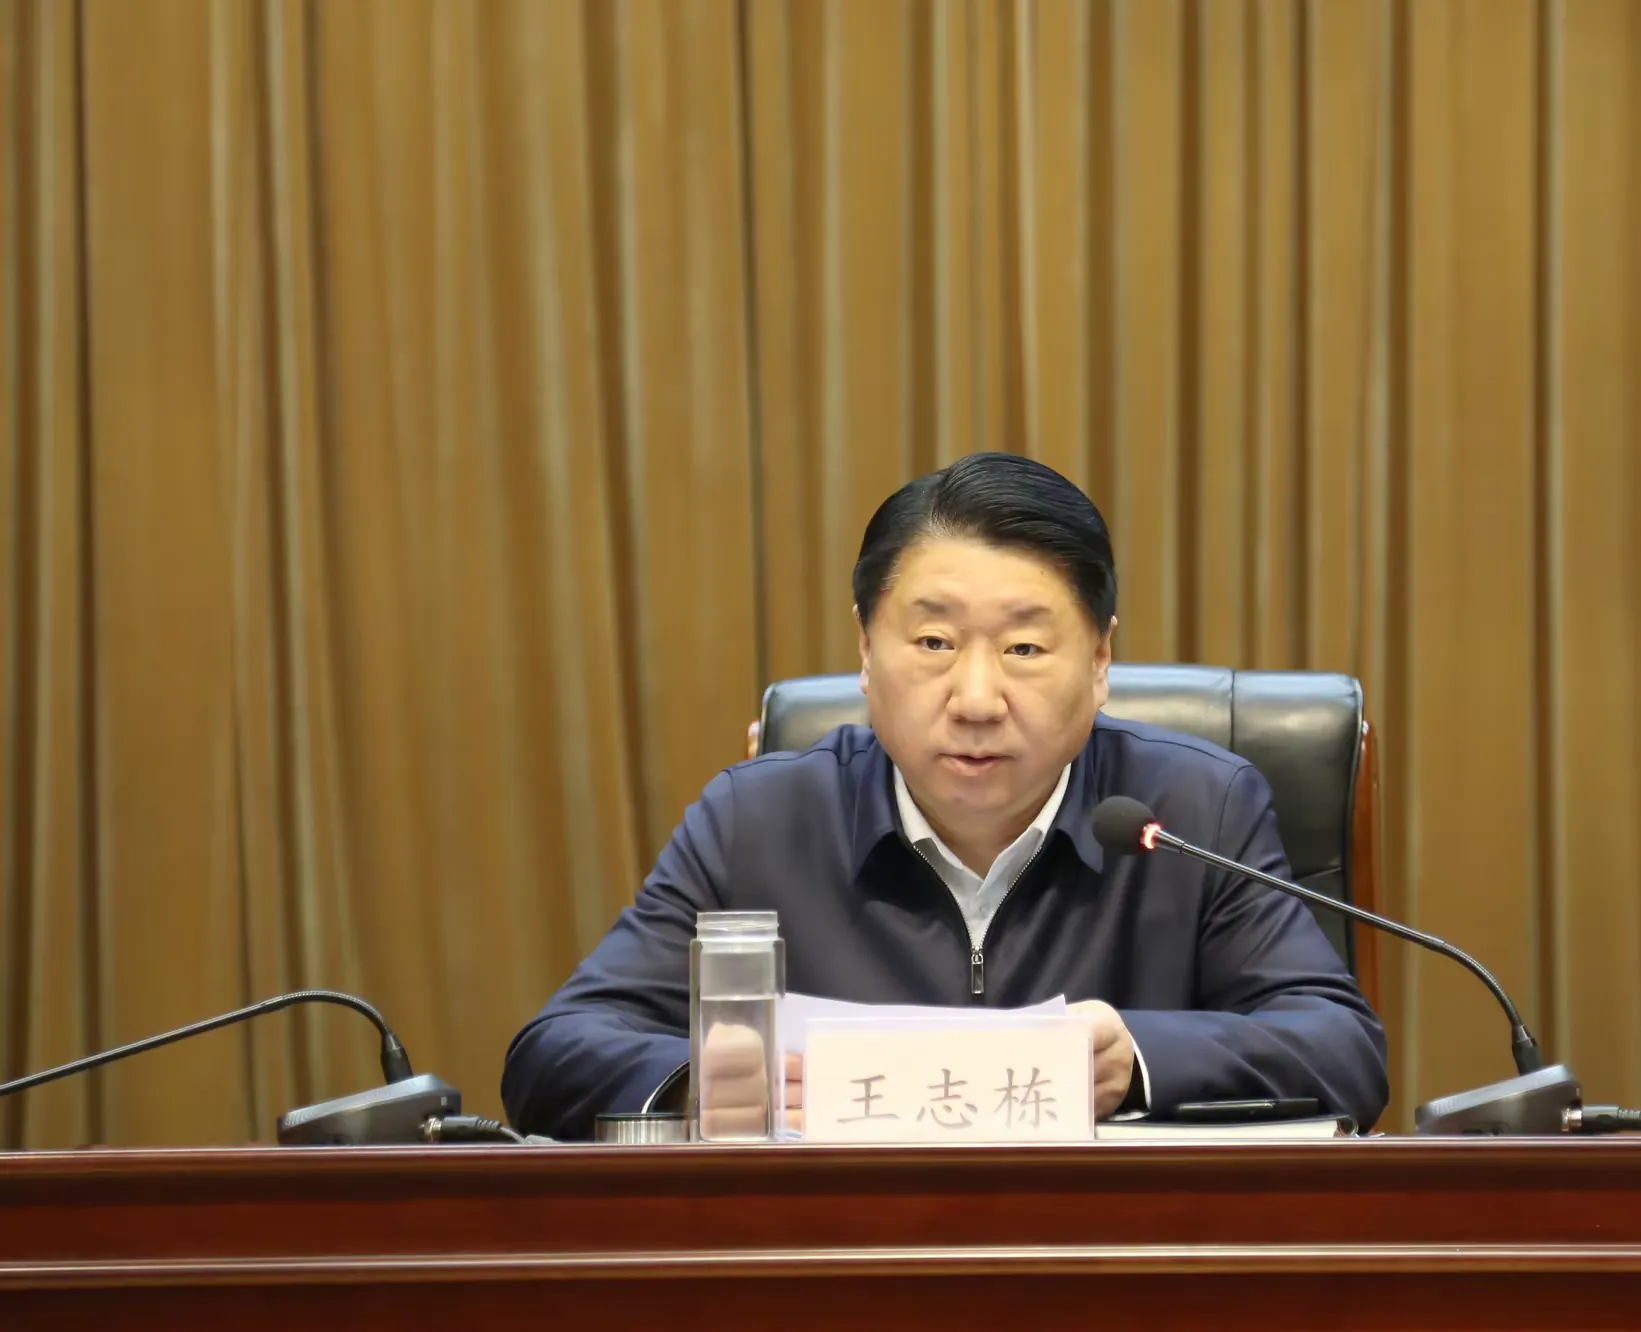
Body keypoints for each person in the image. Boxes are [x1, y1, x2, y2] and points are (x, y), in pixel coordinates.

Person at [501, 452, 1389, 1140]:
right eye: (933, 642)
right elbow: (555, 1052)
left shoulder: (1194, 810)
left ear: (1100, 661)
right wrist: (699, 1082)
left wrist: (1142, 1057)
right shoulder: (759, 822)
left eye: (1025, 649)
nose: (975, 699)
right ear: (865, 650)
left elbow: (1341, 1049)